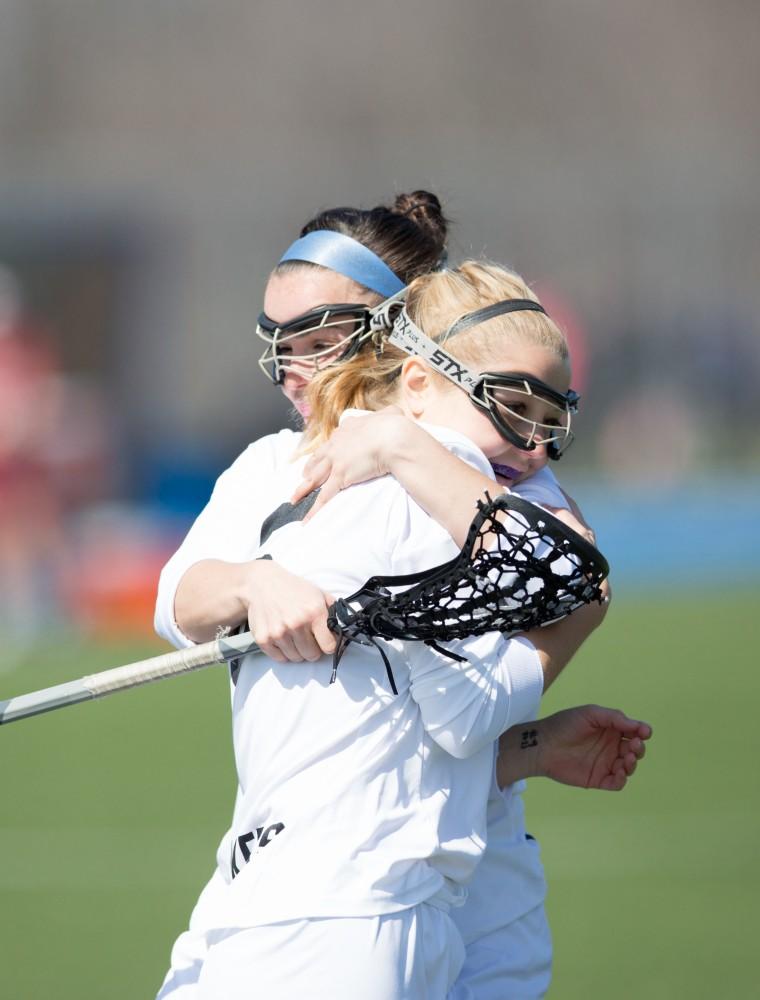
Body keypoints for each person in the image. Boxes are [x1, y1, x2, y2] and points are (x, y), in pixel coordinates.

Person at [154, 242, 650, 998]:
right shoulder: (295, 466)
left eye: (321, 340)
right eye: (284, 343)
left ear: (394, 347)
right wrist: (259, 585)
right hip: (292, 891)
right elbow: (179, 606)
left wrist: (397, 443)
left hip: (361, 901)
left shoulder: (462, 482)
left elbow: (561, 583)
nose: (298, 365)